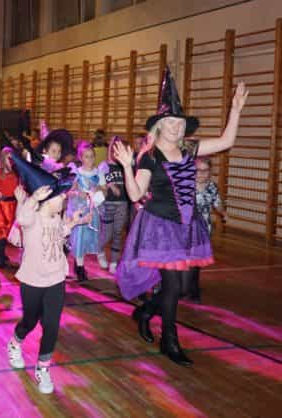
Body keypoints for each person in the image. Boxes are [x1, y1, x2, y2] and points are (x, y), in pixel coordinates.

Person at [114, 67, 248, 366]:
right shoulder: (150, 157)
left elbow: (226, 141)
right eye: (171, 122)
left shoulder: (189, 148)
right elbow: (136, 195)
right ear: (160, 126)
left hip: (187, 227)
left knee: (184, 287)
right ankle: (169, 340)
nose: (176, 127)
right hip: (160, 227)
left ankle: (147, 311)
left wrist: (236, 110)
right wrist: (126, 167)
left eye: (180, 122)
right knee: (173, 286)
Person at [5, 153, 84, 394]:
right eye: (60, 196)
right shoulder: (32, 218)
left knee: (51, 325)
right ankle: (15, 342)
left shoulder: (55, 216)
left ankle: (43, 367)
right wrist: (31, 200)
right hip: (32, 280)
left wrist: (72, 223)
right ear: (47, 199)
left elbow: (58, 235)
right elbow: (22, 218)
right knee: (30, 321)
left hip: (56, 279)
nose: (65, 198)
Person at [190, 157, 225, 303]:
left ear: (210, 171)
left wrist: (223, 212)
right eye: (198, 170)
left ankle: (194, 289)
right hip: (187, 228)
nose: (202, 174)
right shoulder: (187, 187)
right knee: (186, 258)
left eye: (205, 171)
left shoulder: (212, 187)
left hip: (204, 229)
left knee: (197, 260)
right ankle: (183, 285)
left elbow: (217, 203)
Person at [67, 142, 104, 282]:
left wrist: (99, 190)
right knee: (79, 238)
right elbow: (69, 192)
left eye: (92, 156)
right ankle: (80, 268)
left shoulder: (98, 173)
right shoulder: (76, 173)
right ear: (81, 158)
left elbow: (104, 190)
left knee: (87, 239)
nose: (90, 159)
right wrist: (78, 193)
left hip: (92, 210)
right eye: (86, 157)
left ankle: (78, 265)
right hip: (79, 211)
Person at [96, 136, 129, 274]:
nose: (116, 153)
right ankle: (99, 250)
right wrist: (110, 185)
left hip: (122, 204)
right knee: (107, 234)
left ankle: (114, 261)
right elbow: (99, 181)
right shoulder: (104, 165)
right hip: (108, 204)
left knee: (118, 233)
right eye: (114, 149)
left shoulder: (125, 166)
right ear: (110, 150)